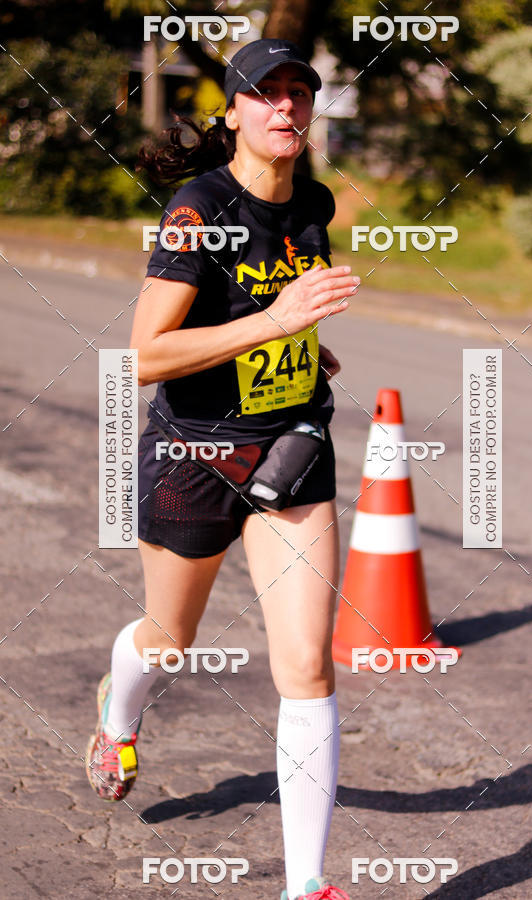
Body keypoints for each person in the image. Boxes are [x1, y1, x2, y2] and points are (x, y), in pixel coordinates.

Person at [86, 38, 358, 900]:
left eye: (298, 93)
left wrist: (309, 352)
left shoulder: (313, 202)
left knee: (308, 667)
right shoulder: (198, 210)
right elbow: (140, 357)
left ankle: (306, 885)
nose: (286, 108)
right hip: (194, 454)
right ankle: (119, 716)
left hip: (290, 449)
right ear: (233, 111)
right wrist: (275, 325)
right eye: (266, 94)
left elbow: (272, 315)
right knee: (169, 643)